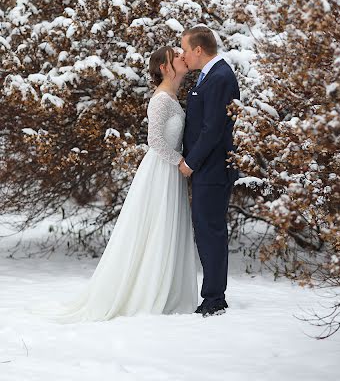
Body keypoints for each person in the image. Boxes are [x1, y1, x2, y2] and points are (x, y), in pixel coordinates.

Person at [36, 47, 198, 322]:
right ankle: (146, 291)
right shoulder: (161, 100)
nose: (183, 57)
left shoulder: (172, 97)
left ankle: (164, 287)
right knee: (154, 226)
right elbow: (155, 141)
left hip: (169, 170)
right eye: (176, 55)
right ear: (164, 67)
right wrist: (180, 161)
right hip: (161, 169)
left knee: (164, 227)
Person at [180, 26, 240, 317]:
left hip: (213, 169)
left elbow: (213, 128)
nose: (183, 55)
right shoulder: (209, 76)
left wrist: (191, 162)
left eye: (185, 50)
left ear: (198, 50)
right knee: (205, 231)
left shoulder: (220, 77)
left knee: (211, 232)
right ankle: (214, 294)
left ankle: (214, 298)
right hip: (208, 168)